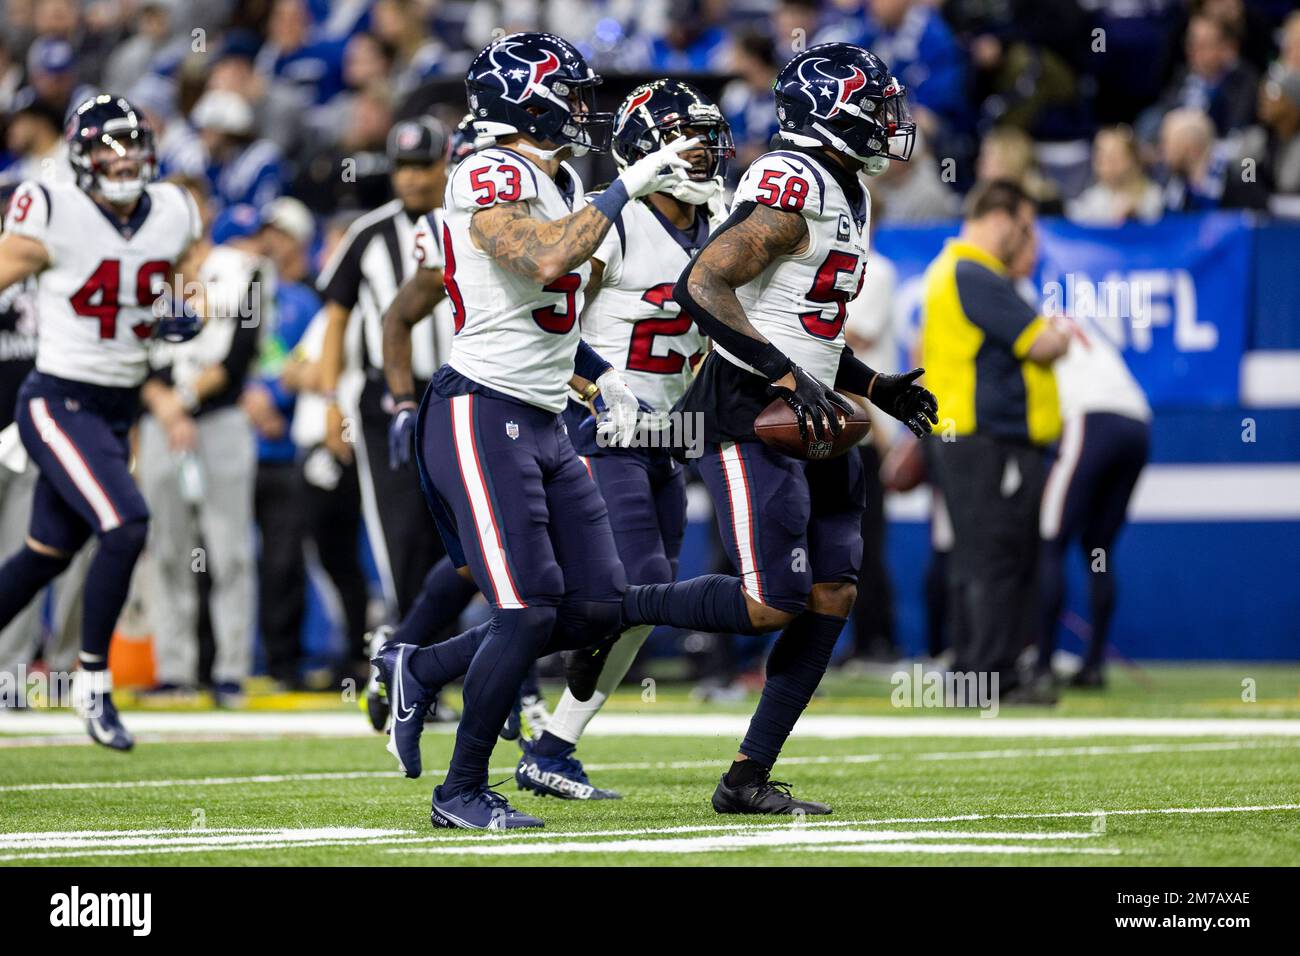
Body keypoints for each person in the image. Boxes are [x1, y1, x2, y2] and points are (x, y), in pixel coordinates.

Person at [372, 31, 701, 830]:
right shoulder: (489, 170)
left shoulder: (556, 180)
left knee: (598, 605)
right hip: (480, 411)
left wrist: (603, 373)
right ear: (527, 96)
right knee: (524, 609)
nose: (584, 108)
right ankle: (461, 791)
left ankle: (423, 667)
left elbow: (547, 321)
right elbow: (546, 263)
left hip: (546, 417)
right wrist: (625, 188)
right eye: (571, 92)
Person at [617, 43, 937, 814]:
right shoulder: (792, 180)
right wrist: (790, 378)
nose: (891, 121)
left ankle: (746, 777)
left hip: (814, 408)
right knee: (772, 601)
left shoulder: (847, 190)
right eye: (877, 104)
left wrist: (875, 385)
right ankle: (616, 604)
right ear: (833, 111)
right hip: (749, 409)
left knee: (832, 590)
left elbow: (807, 330)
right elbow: (706, 283)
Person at [515, 78, 733, 800]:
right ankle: (440, 664)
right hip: (599, 431)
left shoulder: (720, 222)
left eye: (710, 141)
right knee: (638, 587)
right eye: (690, 142)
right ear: (650, 149)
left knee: (632, 611)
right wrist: (597, 386)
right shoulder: (616, 224)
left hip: (669, 436)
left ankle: (553, 747)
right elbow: (549, 327)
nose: (706, 156)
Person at [0, 94, 202, 747]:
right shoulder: (51, 206)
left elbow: (184, 278)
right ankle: (93, 684)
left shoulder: (173, 209)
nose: (123, 160)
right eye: (107, 148)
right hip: (58, 399)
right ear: (81, 156)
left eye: (132, 145)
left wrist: (180, 306)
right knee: (126, 524)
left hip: (119, 405)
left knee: (44, 556)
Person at [920, 179, 1069, 703]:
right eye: (1024, 226)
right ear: (1002, 218)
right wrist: (1062, 331)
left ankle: (972, 672)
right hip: (987, 438)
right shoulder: (973, 272)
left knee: (977, 556)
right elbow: (1043, 344)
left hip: (964, 436)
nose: (1026, 239)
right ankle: (990, 676)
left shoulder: (949, 272)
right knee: (997, 556)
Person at [316, 117, 452, 637]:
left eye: (425, 165)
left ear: (446, 163)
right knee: (400, 530)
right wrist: (332, 400)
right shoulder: (368, 233)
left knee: (461, 530)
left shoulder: (473, 223)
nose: (414, 179)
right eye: (404, 167)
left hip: (458, 391)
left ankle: (446, 650)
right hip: (389, 399)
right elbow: (336, 317)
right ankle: (410, 646)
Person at [138, 203, 270, 706]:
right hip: (158, 421)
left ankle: (231, 670)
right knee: (167, 551)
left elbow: (240, 356)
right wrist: (164, 407)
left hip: (218, 421)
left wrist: (184, 401)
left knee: (229, 551)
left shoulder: (242, 271)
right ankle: (175, 670)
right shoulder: (142, 277)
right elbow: (129, 353)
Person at [1036, 312, 1150, 689]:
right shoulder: (1088, 332)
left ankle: (1042, 665)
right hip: (1137, 423)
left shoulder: (1034, 329)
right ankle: (1094, 666)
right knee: (1098, 547)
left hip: (1092, 419)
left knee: (1050, 539)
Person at [1067, 126, 1164, 226]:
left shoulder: (1154, 196)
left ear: (1133, 159)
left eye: (1113, 158)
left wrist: (1135, 217)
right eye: (1101, 157)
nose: (1104, 164)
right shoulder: (1092, 198)